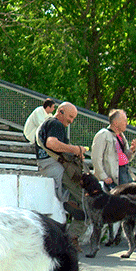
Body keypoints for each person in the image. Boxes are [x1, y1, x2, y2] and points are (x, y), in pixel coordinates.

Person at [35, 102, 87, 239]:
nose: (71, 121)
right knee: (86, 201)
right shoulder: (56, 124)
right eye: (70, 116)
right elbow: (51, 143)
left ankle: (69, 203)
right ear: (61, 111)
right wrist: (75, 149)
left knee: (79, 201)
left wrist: (75, 150)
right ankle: (71, 238)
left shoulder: (49, 124)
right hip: (56, 167)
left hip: (47, 166)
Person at [91, 109, 136, 190]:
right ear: (115, 123)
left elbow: (126, 158)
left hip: (125, 172)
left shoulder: (121, 136)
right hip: (114, 176)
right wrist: (104, 177)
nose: (126, 123)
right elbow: (96, 158)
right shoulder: (103, 134)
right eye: (124, 121)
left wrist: (132, 149)